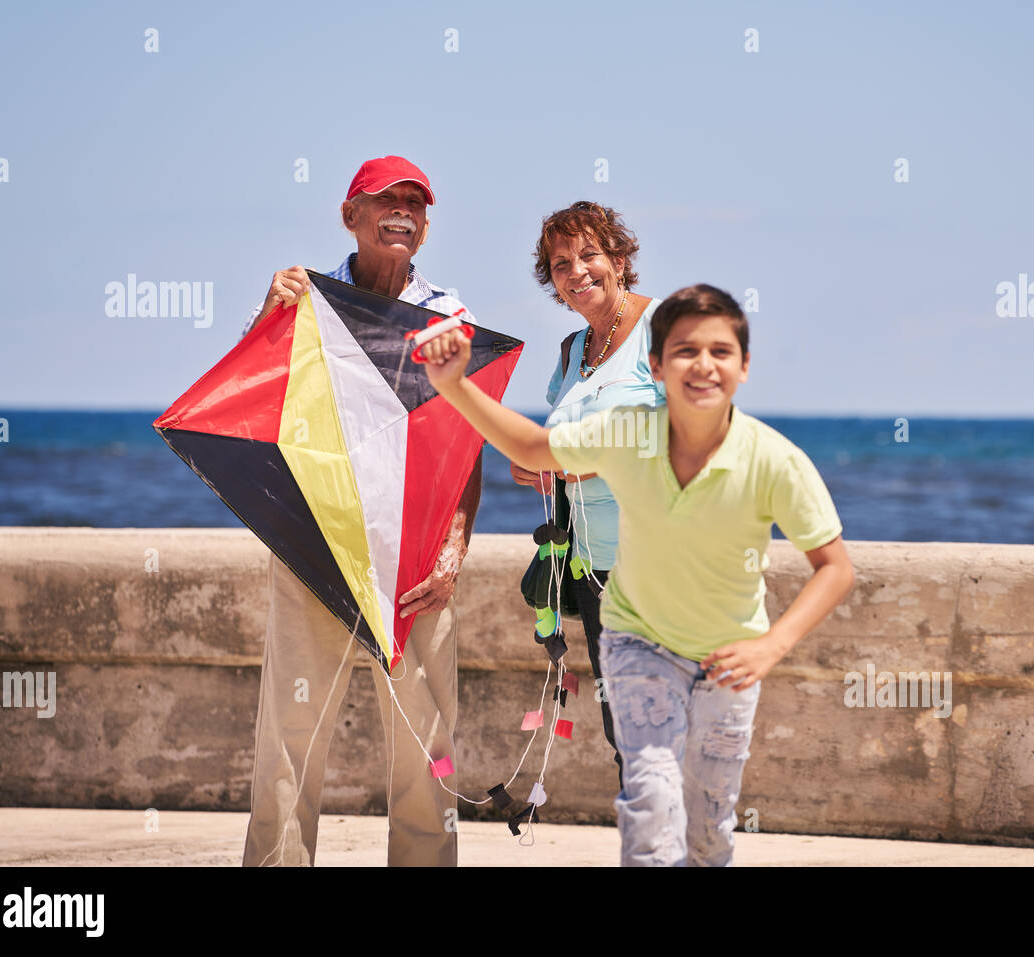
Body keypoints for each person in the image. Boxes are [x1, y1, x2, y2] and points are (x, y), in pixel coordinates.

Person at [417, 283, 855, 867]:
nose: (703, 365)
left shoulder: (773, 460)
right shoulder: (627, 432)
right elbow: (533, 445)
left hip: (730, 659)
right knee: (649, 802)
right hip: (638, 647)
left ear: (744, 366)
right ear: (656, 363)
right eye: (684, 351)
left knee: (709, 824)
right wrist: (454, 385)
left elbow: (835, 569)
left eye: (721, 352)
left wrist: (772, 646)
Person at [240, 155, 480, 867]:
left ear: (427, 225)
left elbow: (465, 447)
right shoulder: (305, 299)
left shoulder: (450, 315)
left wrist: (453, 552)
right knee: (287, 740)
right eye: (386, 200)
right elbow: (248, 399)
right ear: (351, 216)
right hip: (315, 544)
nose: (403, 211)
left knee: (426, 751)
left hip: (414, 561)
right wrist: (267, 313)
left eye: (417, 202)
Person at [513, 201, 664, 787]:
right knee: (623, 729)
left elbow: (700, 438)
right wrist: (534, 465)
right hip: (594, 569)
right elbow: (557, 444)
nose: (577, 272)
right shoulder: (574, 350)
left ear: (620, 259)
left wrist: (592, 467)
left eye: (590, 255)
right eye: (560, 264)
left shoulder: (666, 329)